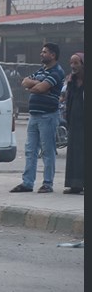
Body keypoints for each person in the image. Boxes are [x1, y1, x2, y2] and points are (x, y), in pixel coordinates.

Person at [11, 42, 66, 194]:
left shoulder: (57, 72)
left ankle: (47, 183)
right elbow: (25, 82)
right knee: (30, 150)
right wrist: (37, 85)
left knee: (47, 151)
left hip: (48, 116)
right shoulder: (42, 71)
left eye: (44, 52)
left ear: (53, 55)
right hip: (34, 115)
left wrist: (36, 86)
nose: (41, 54)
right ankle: (27, 183)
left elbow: (39, 88)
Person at [61, 52, 83, 195]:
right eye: (71, 63)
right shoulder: (71, 81)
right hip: (74, 122)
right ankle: (75, 184)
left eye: (76, 63)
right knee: (74, 153)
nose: (73, 66)